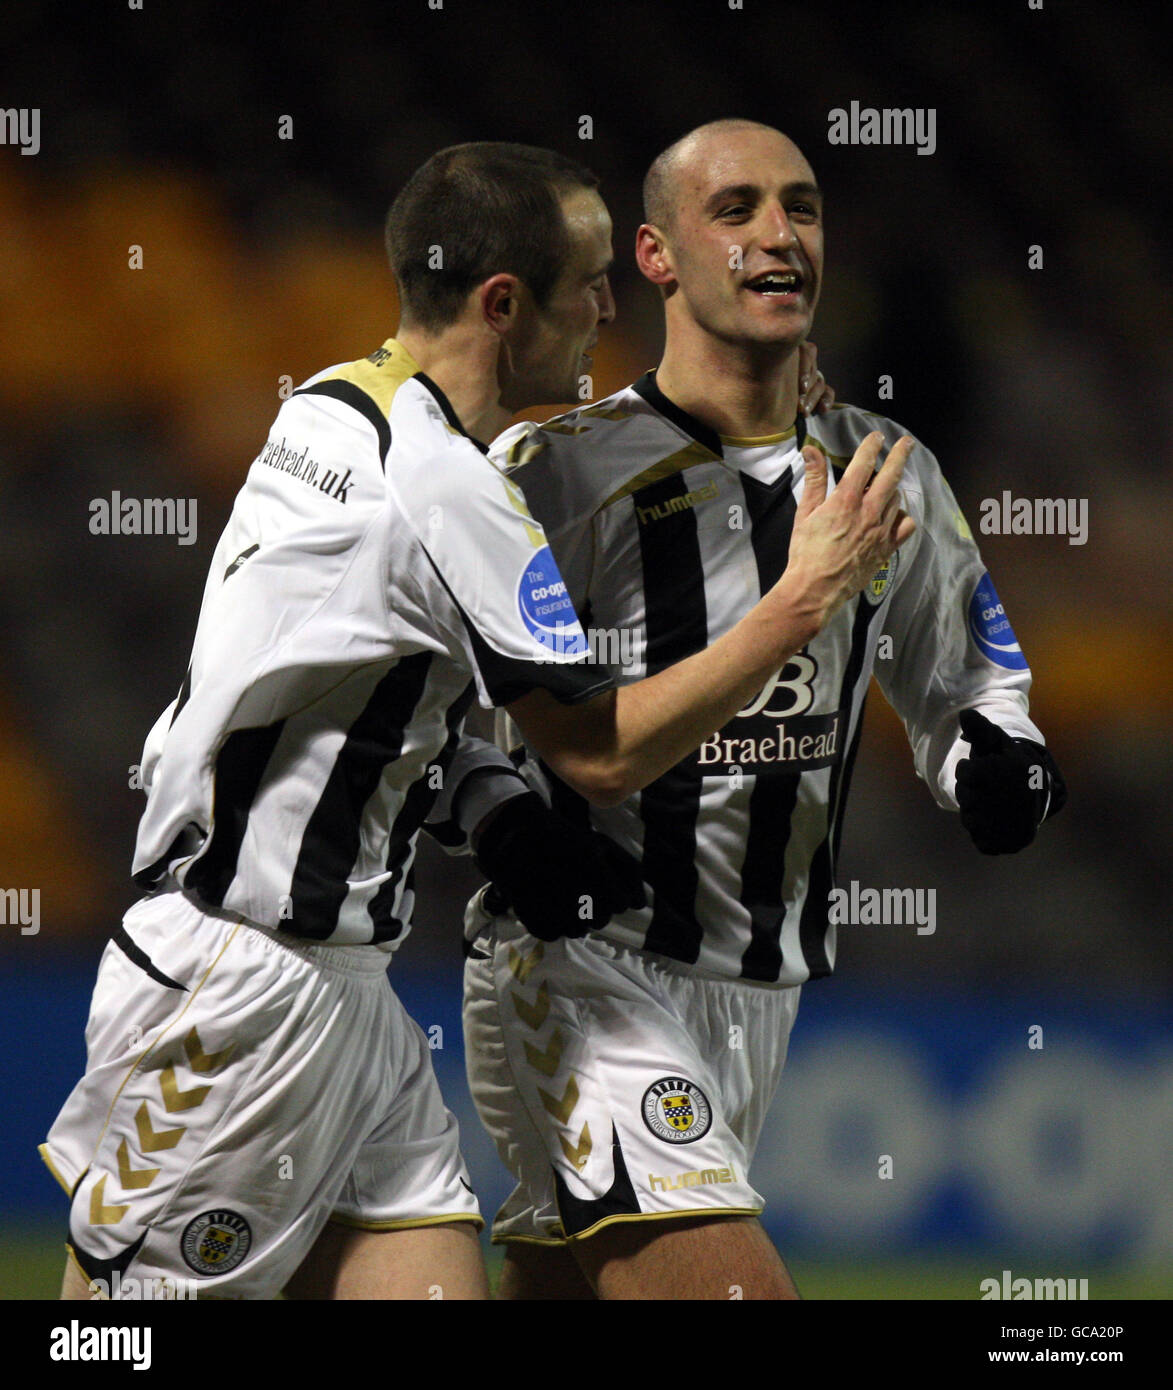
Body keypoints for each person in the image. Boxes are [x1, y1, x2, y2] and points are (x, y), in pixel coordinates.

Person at [40, 140, 912, 1301]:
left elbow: (342, 679)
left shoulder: (331, 409)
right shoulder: (450, 485)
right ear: (505, 302)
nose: (612, 306)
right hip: (244, 987)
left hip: (343, 990)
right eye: (592, 280)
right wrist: (800, 601)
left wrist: (496, 812)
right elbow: (600, 750)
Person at [446, 120, 1067, 1300]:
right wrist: (498, 821)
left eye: (803, 206)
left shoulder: (888, 466)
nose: (779, 233)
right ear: (657, 255)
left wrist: (998, 758)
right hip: (585, 965)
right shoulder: (558, 471)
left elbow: (969, 679)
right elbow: (447, 709)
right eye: (734, 209)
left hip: (759, 993)